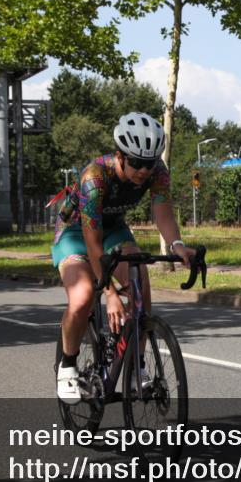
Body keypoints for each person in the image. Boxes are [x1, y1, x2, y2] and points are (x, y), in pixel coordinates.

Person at [50, 112, 196, 403]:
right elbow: (93, 243)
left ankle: (135, 367)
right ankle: (67, 366)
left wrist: (177, 244)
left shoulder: (157, 170)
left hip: (114, 229)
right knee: (81, 296)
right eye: (137, 163)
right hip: (77, 233)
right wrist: (110, 292)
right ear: (120, 155)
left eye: (149, 163)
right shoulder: (94, 177)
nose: (144, 170)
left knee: (140, 280)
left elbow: (162, 210)